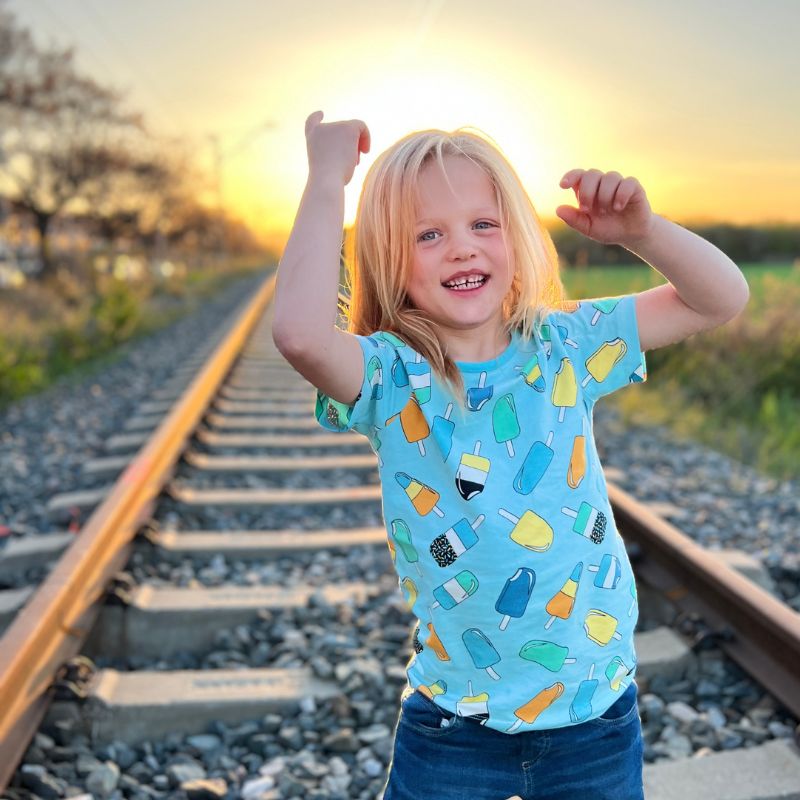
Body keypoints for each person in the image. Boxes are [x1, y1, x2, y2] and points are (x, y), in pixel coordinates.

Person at [272, 110, 750, 800]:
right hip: (453, 727)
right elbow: (300, 336)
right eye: (428, 235)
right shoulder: (390, 378)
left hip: (593, 716)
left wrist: (644, 232)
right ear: (388, 262)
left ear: (516, 238)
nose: (461, 249)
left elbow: (721, 298)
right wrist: (325, 180)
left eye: (483, 226)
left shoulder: (567, 345)